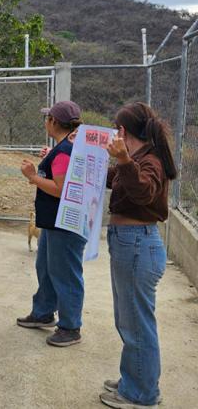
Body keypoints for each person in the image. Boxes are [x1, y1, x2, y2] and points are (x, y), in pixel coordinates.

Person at [99, 102, 176, 408]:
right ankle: (134, 378)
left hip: (137, 245)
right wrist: (87, 159)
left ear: (124, 131)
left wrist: (122, 161)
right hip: (129, 243)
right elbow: (116, 181)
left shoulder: (150, 161)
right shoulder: (136, 159)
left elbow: (143, 191)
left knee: (136, 323)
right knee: (128, 320)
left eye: (117, 128)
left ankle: (142, 393)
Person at [16, 100, 87, 348]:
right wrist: (48, 160)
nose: (45, 121)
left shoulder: (66, 150)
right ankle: (43, 312)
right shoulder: (65, 147)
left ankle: (70, 327)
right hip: (54, 223)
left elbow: (61, 190)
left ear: (54, 122)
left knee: (65, 274)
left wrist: (33, 177)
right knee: (45, 267)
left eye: (47, 118)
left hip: (64, 225)